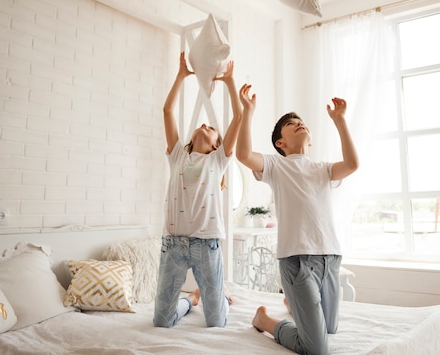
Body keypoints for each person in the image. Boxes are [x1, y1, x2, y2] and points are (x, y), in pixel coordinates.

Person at [236, 84, 359, 355]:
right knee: (317, 349)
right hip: (298, 261)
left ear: (310, 139)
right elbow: (243, 155)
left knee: (330, 329)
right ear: (281, 143)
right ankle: (265, 320)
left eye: (302, 122)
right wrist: (248, 111)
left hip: (330, 258)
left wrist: (340, 121)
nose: (300, 124)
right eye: (292, 124)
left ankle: (295, 304)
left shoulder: (323, 169)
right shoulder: (276, 166)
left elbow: (352, 164)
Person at [153, 52, 241, 328]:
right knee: (162, 321)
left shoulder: (218, 160)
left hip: (207, 244)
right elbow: (167, 111)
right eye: (200, 125)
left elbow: (239, 115)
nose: (204, 125)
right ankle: (191, 299)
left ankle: (220, 298)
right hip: (174, 245)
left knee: (216, 322)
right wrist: (181, 75)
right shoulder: (178, 155)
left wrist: (229, 81)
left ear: (217, 144)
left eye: (211, 128)